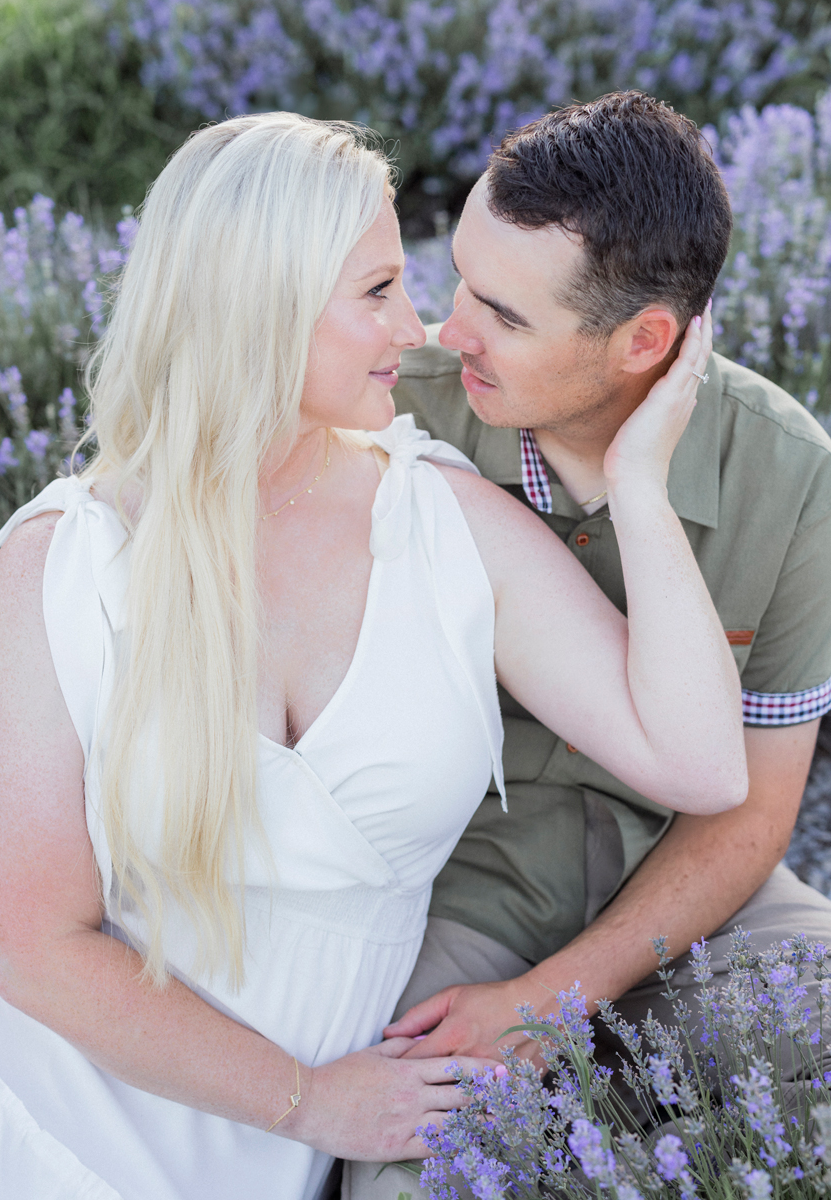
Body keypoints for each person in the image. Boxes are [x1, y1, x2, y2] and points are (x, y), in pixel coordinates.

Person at [0, 109, 746, 1200]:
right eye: (374, 293)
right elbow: (35, 952)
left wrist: (641, 488)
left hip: (239, 1157)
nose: (415, 329)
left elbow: (700, 764)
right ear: (257, 309)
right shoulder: (61, 562)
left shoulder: (439, 521)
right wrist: (306, 1099)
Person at [339, 93, 831, 1199]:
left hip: (690, 890)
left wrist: (555, 999)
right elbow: (161, 519)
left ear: (644, 344)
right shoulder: (393, 406)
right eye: (456, 275)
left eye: (504, 315)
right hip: (461, 893)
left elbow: (751, 813)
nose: (445, 326)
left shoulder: (792, 479)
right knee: (410, 1177)